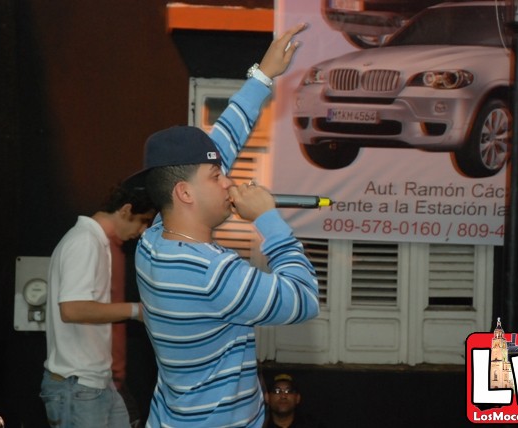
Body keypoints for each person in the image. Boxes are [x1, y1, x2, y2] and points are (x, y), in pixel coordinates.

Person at [126, 23, 320, 427]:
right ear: (184, 193)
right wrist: (269, 221)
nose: (229, 179)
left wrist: (262, 78)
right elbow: (303, 299)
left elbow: (221, 146)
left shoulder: (154, 241)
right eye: (218, 178)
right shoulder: (212, 274)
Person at [40, 184, 157, 428]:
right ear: (126, 210)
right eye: (144, 220)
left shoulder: (94, 242)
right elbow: (72, 309)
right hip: (77, 385)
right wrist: (136, 311)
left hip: (94, 383)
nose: (144, 230)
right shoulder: (85, 241)